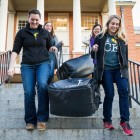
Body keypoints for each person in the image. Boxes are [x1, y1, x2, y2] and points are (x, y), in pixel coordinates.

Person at [8, 9, 57, 131]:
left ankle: (42, 119)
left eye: (37, 19)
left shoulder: (45, 32)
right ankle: (30, 121)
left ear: (39, 20)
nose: (34, 22)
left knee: (42, 85)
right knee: (29, 91)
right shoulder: (22, 33)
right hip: (27, 65)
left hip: (43, 63)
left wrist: (52, 49)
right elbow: (15, 50)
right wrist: (11, 67)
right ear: (28, 18)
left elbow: (49, 46)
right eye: (32, 19)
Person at [91, 15, 133, 136]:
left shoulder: (122, 38)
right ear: (108, 24)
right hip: (106, 70)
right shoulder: (100, 37)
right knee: (109, 94)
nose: (114, 26)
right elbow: (93, 56)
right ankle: (107, 120)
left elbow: (125, 56)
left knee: (124, 92)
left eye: (117, 24)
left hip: (119, 70)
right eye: (112, 23)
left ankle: (125, 121)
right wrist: (93, 50)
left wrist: (125, 68)